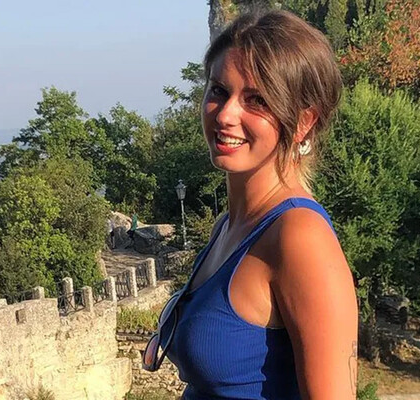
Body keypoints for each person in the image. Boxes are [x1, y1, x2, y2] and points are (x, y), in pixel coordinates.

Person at [143, 9, 359, 399]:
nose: (226, 115)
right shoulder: (229, 226)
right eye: (218, 91)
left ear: (304, 122)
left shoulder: (299, 237)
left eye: (256, 100)